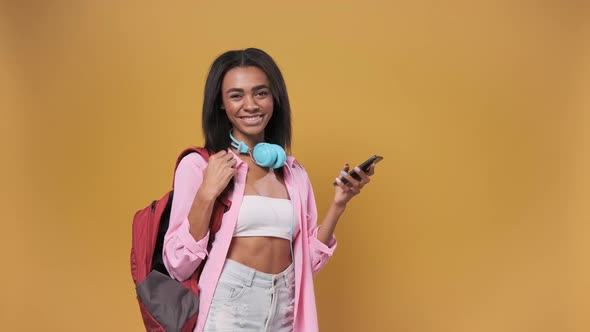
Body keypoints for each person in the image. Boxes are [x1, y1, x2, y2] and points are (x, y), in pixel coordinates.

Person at [163, 48, 377, 332]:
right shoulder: (199, 165)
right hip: (230, 304)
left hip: (285, 306)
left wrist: (339, 204)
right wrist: (206, 193)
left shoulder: (292, 172)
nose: (250, 105)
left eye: (260, 93)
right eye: (236, 95)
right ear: (221, 104)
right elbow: (178, 264)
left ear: (274, 99)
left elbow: (308, 264)